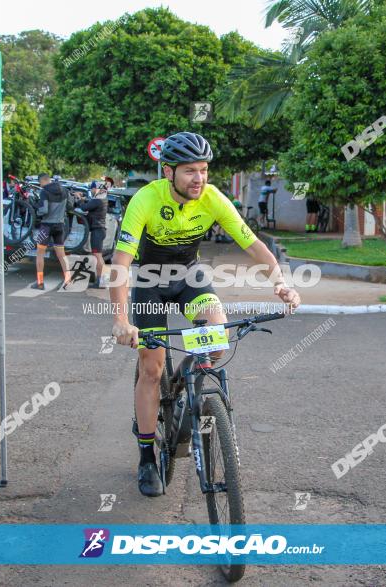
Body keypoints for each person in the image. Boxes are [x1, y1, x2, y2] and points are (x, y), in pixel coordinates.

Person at [109, 132, 301, 497]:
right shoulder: (145, 200)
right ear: (168, 172)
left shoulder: (212, 199)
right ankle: (148, 455)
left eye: (204, 170)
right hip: (150, 283)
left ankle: (190, 377)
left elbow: (254, 245)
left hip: (190, 278)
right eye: (189, 171)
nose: (199, 179)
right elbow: (120, 264)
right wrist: (121, 319)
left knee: (217, 338)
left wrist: (281, 283)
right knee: (152, 367)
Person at [32, 174, 72, 290]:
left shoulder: (44, 191)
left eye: (40, 183)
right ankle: (68, 281)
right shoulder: (64, 190)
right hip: (60, 226)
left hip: (46, 227)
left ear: (42, 181)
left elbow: (44, 210)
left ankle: (40, 283)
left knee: (40, 254)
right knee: (61, 255)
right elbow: (70, 206)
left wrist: (36, 209)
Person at [76, 179, 110, 288]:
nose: (91, 190)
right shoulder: (101, 198)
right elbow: (90, 203)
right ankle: (100, 280)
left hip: (97, 230)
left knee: (98, 256)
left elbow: (84, 207)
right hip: (99, 230)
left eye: (92, 188)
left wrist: (79, 200)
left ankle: (101, 281)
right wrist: (83, 199)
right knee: (96, 256)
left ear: (97, 188)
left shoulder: (98, 199)